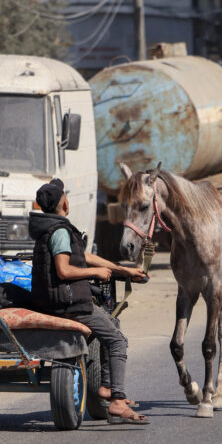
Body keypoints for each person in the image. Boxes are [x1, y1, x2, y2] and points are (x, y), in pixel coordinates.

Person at [28, 178, 150, 425]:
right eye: (65, 195)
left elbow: (84, 256)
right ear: (63, 203)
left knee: (110, 326)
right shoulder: (60, 231)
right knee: (117, 341)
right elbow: (64, 270)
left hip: (55, 300)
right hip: (69, 304)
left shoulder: (51, 228)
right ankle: (117, 400)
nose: (67, 199)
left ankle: (106, 387)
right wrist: (93, 273)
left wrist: (122, 270)